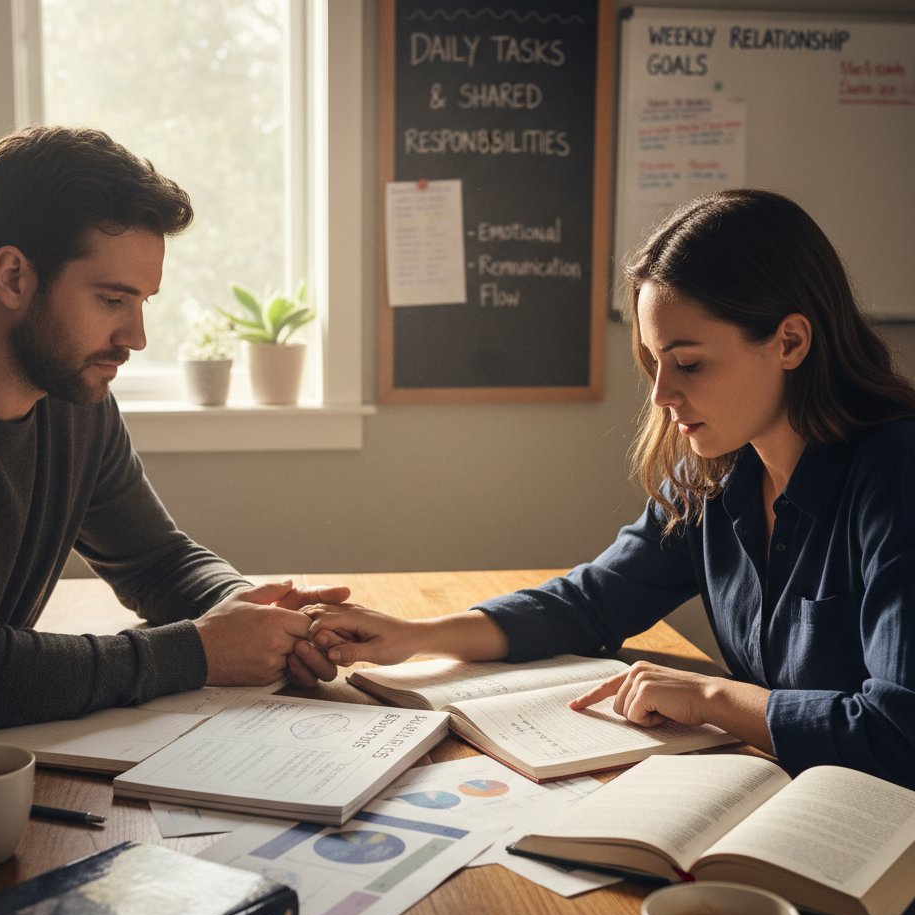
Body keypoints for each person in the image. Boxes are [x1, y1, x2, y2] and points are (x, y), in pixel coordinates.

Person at [306, 189, 915, 789]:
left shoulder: (895, 478)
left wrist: (709, 696)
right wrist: (416, 637)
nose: (662, 396)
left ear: (790, 342)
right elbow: (592, 602)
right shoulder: (716, 471)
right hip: (786, 788)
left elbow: (899, 734)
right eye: (655, 363)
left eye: (690, 363)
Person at [0, 125, 345, 778]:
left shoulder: (75, 400)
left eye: (143, 303)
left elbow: (157, 561)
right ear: (14, 275)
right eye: (112, 300)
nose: (135, 336)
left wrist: (254, 613)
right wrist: (200, 650)